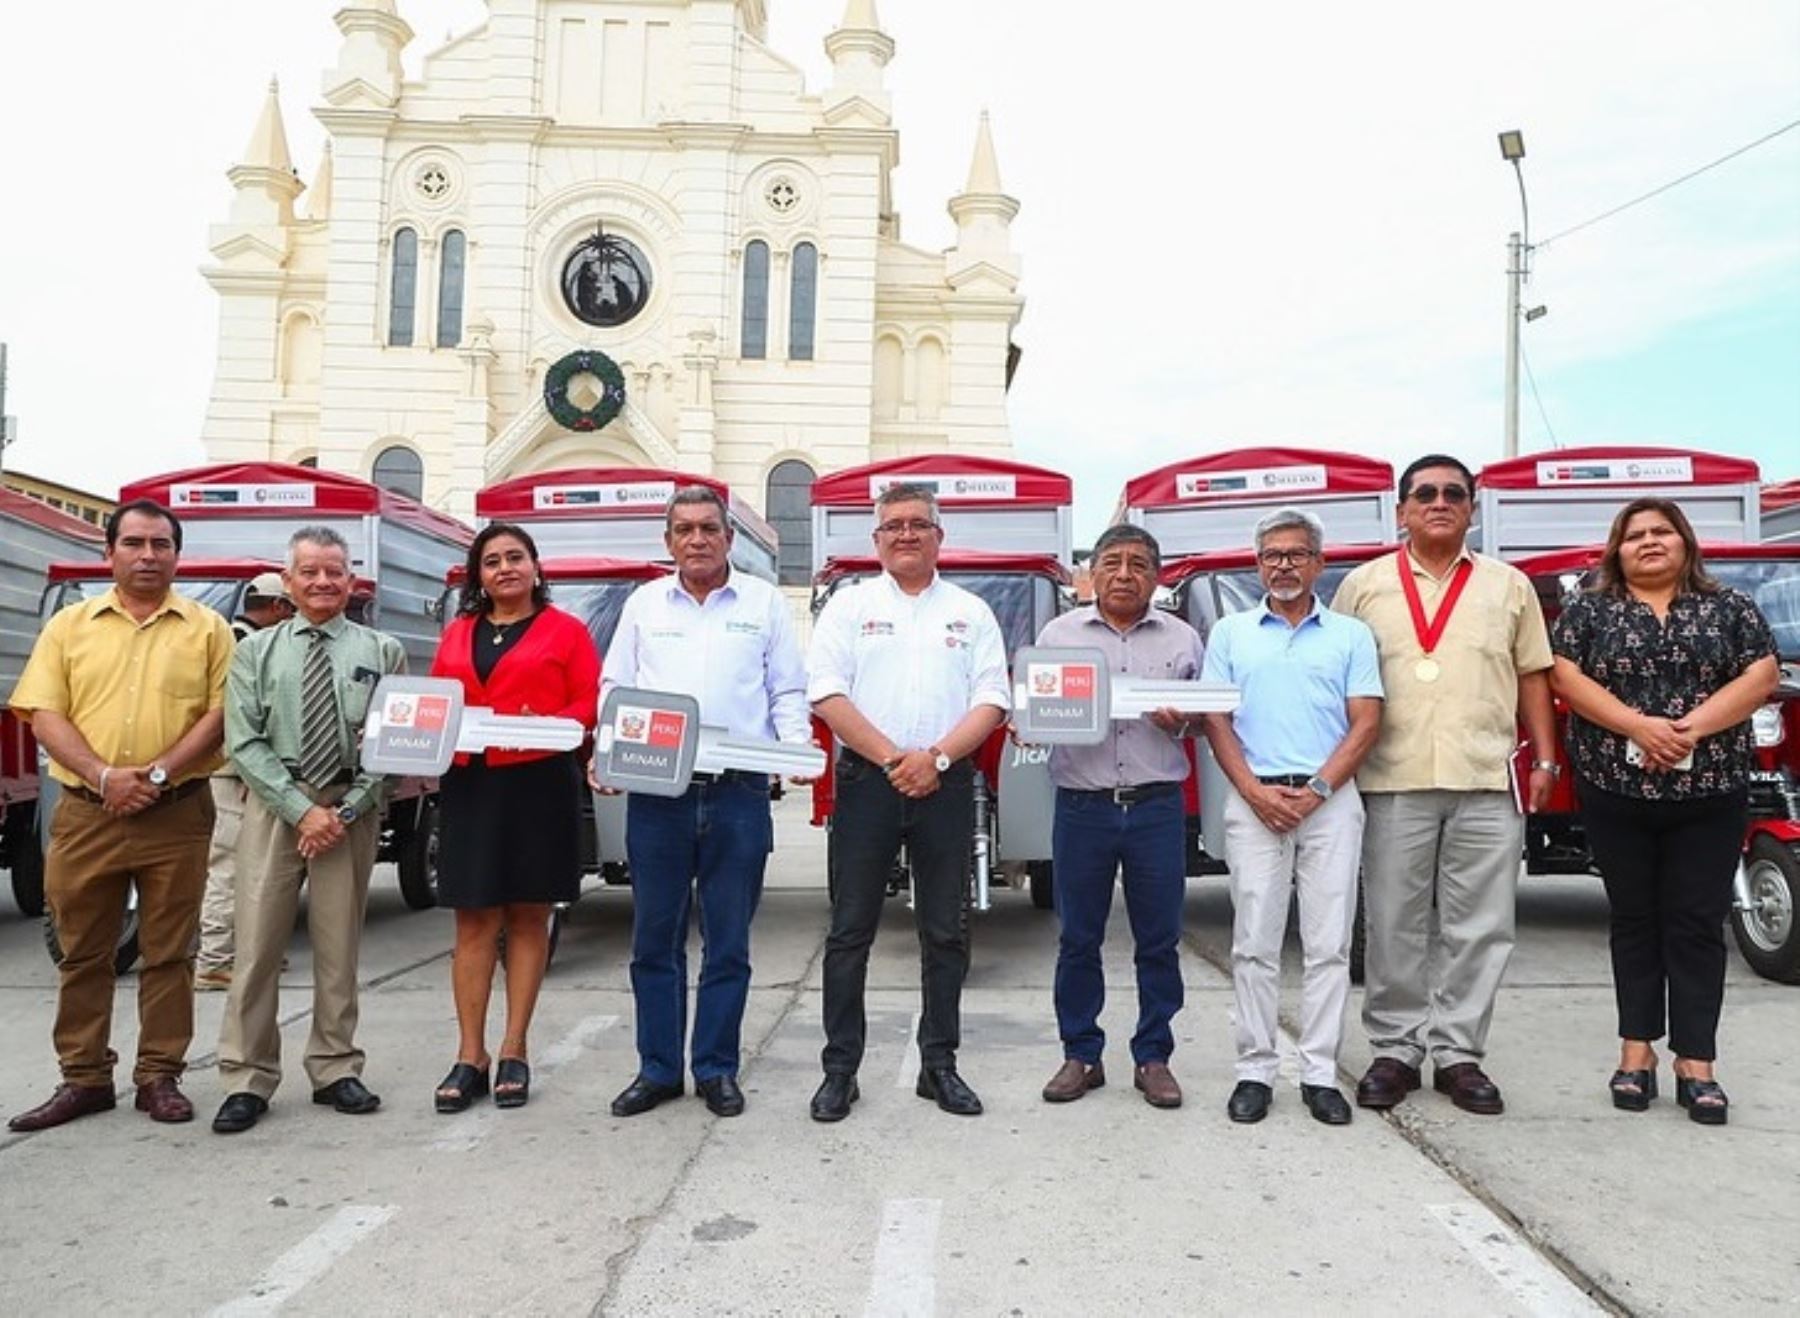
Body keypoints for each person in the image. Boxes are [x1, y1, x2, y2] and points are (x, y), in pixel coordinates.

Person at [1332, 455, 1557, 1116]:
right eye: (1424, 493)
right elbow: (1337, 679)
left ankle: (1460, 1054)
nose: (1439, 502)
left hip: (1485, 779)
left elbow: (1534, 675)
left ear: (1472, 508)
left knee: (1482, 926)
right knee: (1394, 922)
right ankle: (1396, 1049)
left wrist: (1545, 760)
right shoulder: (1363, 587)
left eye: (1453, 494)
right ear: (1401, 510)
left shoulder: (1508, 586)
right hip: (1391, 778)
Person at [1550, 498, 1778, 1124]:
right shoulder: (1589, 611)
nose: (1649, 543)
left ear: (1685, 542)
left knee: (1698, 923)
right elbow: (1565, 678)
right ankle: (1636, 1051)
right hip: (1615, 790)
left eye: (1662, 532)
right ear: (1616, 550)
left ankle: (1696, 1062)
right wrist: (1638, 728)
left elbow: (1760, 675)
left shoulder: (1730, 608)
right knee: (1634, 919)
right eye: (1634, 536)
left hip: (1709, 793)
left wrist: (1685, 732)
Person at [7, 499, 233, 1131]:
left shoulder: (207, 629)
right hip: (87, 815)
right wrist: (104, 776)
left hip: (176, 814)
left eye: (161, 545)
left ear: (177, 555)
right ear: (109, 553)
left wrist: (155, 774)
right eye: (133, 543)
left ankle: (159, 1077)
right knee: (82, 953)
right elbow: (45, 713)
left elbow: (220, 715)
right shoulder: (70, 627)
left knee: (169, 953)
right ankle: (83, 1078)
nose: (147, 556)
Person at [602, 487, 810, 1119]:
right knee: (653, 941)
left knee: (728, 943)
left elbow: (787, 689)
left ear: (728, 538)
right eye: (684, 529)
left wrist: (795, 751)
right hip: (658, 795)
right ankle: (658, 1069)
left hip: (739, 795)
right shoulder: (644, 604)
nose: (697, 539)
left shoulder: (762, 602)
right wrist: (606, 749)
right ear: (668, 542)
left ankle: (716, 1068)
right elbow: (618, 686)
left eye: (708, 528)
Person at [806, 483, 1009, 1121]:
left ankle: (939, 1065)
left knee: (945, 931)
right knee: (849, 933)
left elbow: (992, 699)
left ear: (938, 536)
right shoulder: (849, 606)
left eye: (918, 524)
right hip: (870, 784)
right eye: (892, 525)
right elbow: (827, 694)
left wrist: (938, 759)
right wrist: (895, 758)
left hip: (945, 785)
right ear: (876, 540)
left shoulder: (971, 611)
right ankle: (840, 1071)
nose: (905, 534)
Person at [211, 528, 407, 1134]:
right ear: (288, 581)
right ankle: (247, 1077)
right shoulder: (255, 652)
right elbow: (242, 741)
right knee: (257, 949)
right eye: (310, 572)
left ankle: (335, 1067)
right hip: (277, 806)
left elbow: (397, 742)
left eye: (335, 571)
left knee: (337, 949)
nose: (323, 582)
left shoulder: (383, 650)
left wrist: (344, 811)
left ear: (352, 580)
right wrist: (300, 810)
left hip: (349, 806)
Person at [1201, 508, 1383, 1126]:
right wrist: (1253, 791)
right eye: (1272, 555)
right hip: (1255, 801)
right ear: (1256, 565)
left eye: (1296, 554)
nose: (1283, 564)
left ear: (1318, 563)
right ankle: (1255, 1069)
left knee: (1329, 944)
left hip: (1329, 802)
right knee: (1254, 942)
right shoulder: (1229, 634)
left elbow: (1366, 721)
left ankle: (1319, 1073)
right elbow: (1217, 720)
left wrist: (1319, 787)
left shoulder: (1350, 635)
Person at [1030, 525, 1204, 1109]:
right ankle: (1080, 1053)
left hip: (1156, 808)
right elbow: (1032, 711)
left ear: (1156, 576)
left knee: (1159, 940)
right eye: (1112, 562)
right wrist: (1038, 716)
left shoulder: (1182, 639)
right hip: (1083, 807)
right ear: (1092, 573)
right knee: (1078, 938)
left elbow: (1208, 720)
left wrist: (1183, 718)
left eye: (1138, 564)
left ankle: (1153, 1056)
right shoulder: (1058, 635)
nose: (1124, 574)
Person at [430, 523, 599, 1113]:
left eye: (515, 558)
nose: (504, 568)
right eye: (492, 560)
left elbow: (587, 702)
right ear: (478, 574)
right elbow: (435, 702)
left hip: (537, 784)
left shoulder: (567, 631)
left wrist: (546, 722)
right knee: (473, 923)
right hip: (472, 784)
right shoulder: (457, 633)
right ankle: (469, 1054)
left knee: (528, 917)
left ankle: (514, 1048)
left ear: (534, 566)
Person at [196, 571, 294, 992]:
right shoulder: (244, 645)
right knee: (228, 867)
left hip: (234, 771)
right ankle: (215, 960)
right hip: (233, 774)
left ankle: (243, 952)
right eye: (289, 608)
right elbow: (238, 715)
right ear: (276, 607)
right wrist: (249, 770)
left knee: (248, 867)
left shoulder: (233, 635)